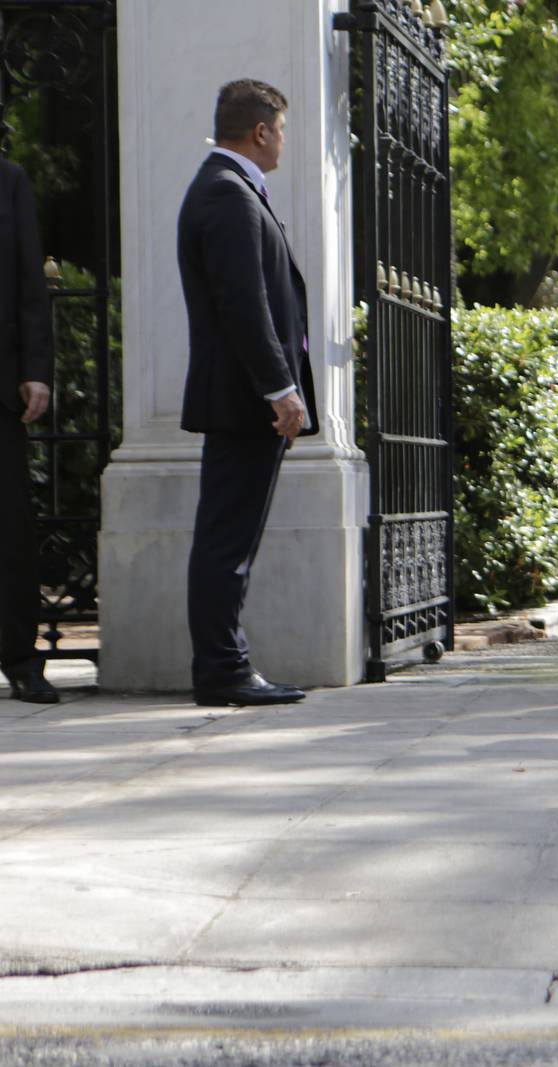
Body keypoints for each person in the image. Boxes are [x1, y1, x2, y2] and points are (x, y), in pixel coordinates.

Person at [179, 79, 318, 707]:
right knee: (226, 542)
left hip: (243, 399)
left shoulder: (228, 189)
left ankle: (224, 665)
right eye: (282, 129)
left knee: (229, 538)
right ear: (260, 131)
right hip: (244, 401)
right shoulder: (228, 194)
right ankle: (223, 670)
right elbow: (244, 306)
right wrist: (280, 390)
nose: (284, 141)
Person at [0, 158, 56, 704]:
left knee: (11, 533)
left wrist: (36, 369)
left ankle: (20, 659)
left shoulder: (9, 178)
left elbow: (27, 279)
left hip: (0, 387)